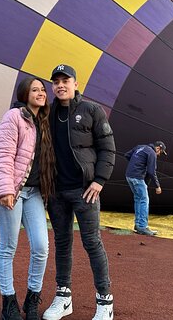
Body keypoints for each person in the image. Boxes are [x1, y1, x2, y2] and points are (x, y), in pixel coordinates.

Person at [42, 64, 116, 320]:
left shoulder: (91, 110)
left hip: (85, 190)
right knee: (62, 244)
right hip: (57, 192)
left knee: (92, 242)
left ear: (75, 83)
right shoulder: (48, 113)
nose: (60, 85)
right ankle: (64, 298)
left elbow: (108, 147)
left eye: (65, 80)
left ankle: (104, 302)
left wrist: (99, 181)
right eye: (56, 81)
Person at [0, 76, 56, 320]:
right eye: (34, 89)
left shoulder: (45, 122)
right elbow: (3, 155)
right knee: (8, 247)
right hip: (12, 191)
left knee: (41, 247)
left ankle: (32, 299)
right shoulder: (13, 117)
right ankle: (8, 302)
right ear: (24, 94)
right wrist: (6, 190)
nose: (40, 93)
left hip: (34, 193)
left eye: (42, 90)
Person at [124, 141, 166, 236]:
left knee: (138, 199)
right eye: (160, 152)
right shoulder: (152, 153)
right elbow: (151, 172)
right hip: (137, 178)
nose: (159, 155)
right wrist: (157, 186)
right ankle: (142, 226)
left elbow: (126, 155)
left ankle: (138, 225)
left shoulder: (140, 147)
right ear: (158, 148)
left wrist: (135, 164)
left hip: (129, 176)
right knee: (144, 200)